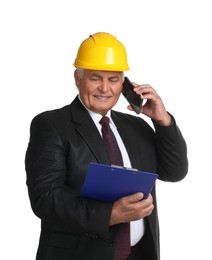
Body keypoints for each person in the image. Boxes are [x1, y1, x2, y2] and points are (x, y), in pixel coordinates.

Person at [25, 32, 188, 260]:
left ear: (124, 84)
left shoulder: (136, 126)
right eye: (95, 78)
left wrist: (163, 121)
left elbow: (174, 172)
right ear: (77, 78)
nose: (104, 88)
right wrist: (109, 215)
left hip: (139, 254)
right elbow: (45, 198)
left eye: (113, 79)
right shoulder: (51, 124)